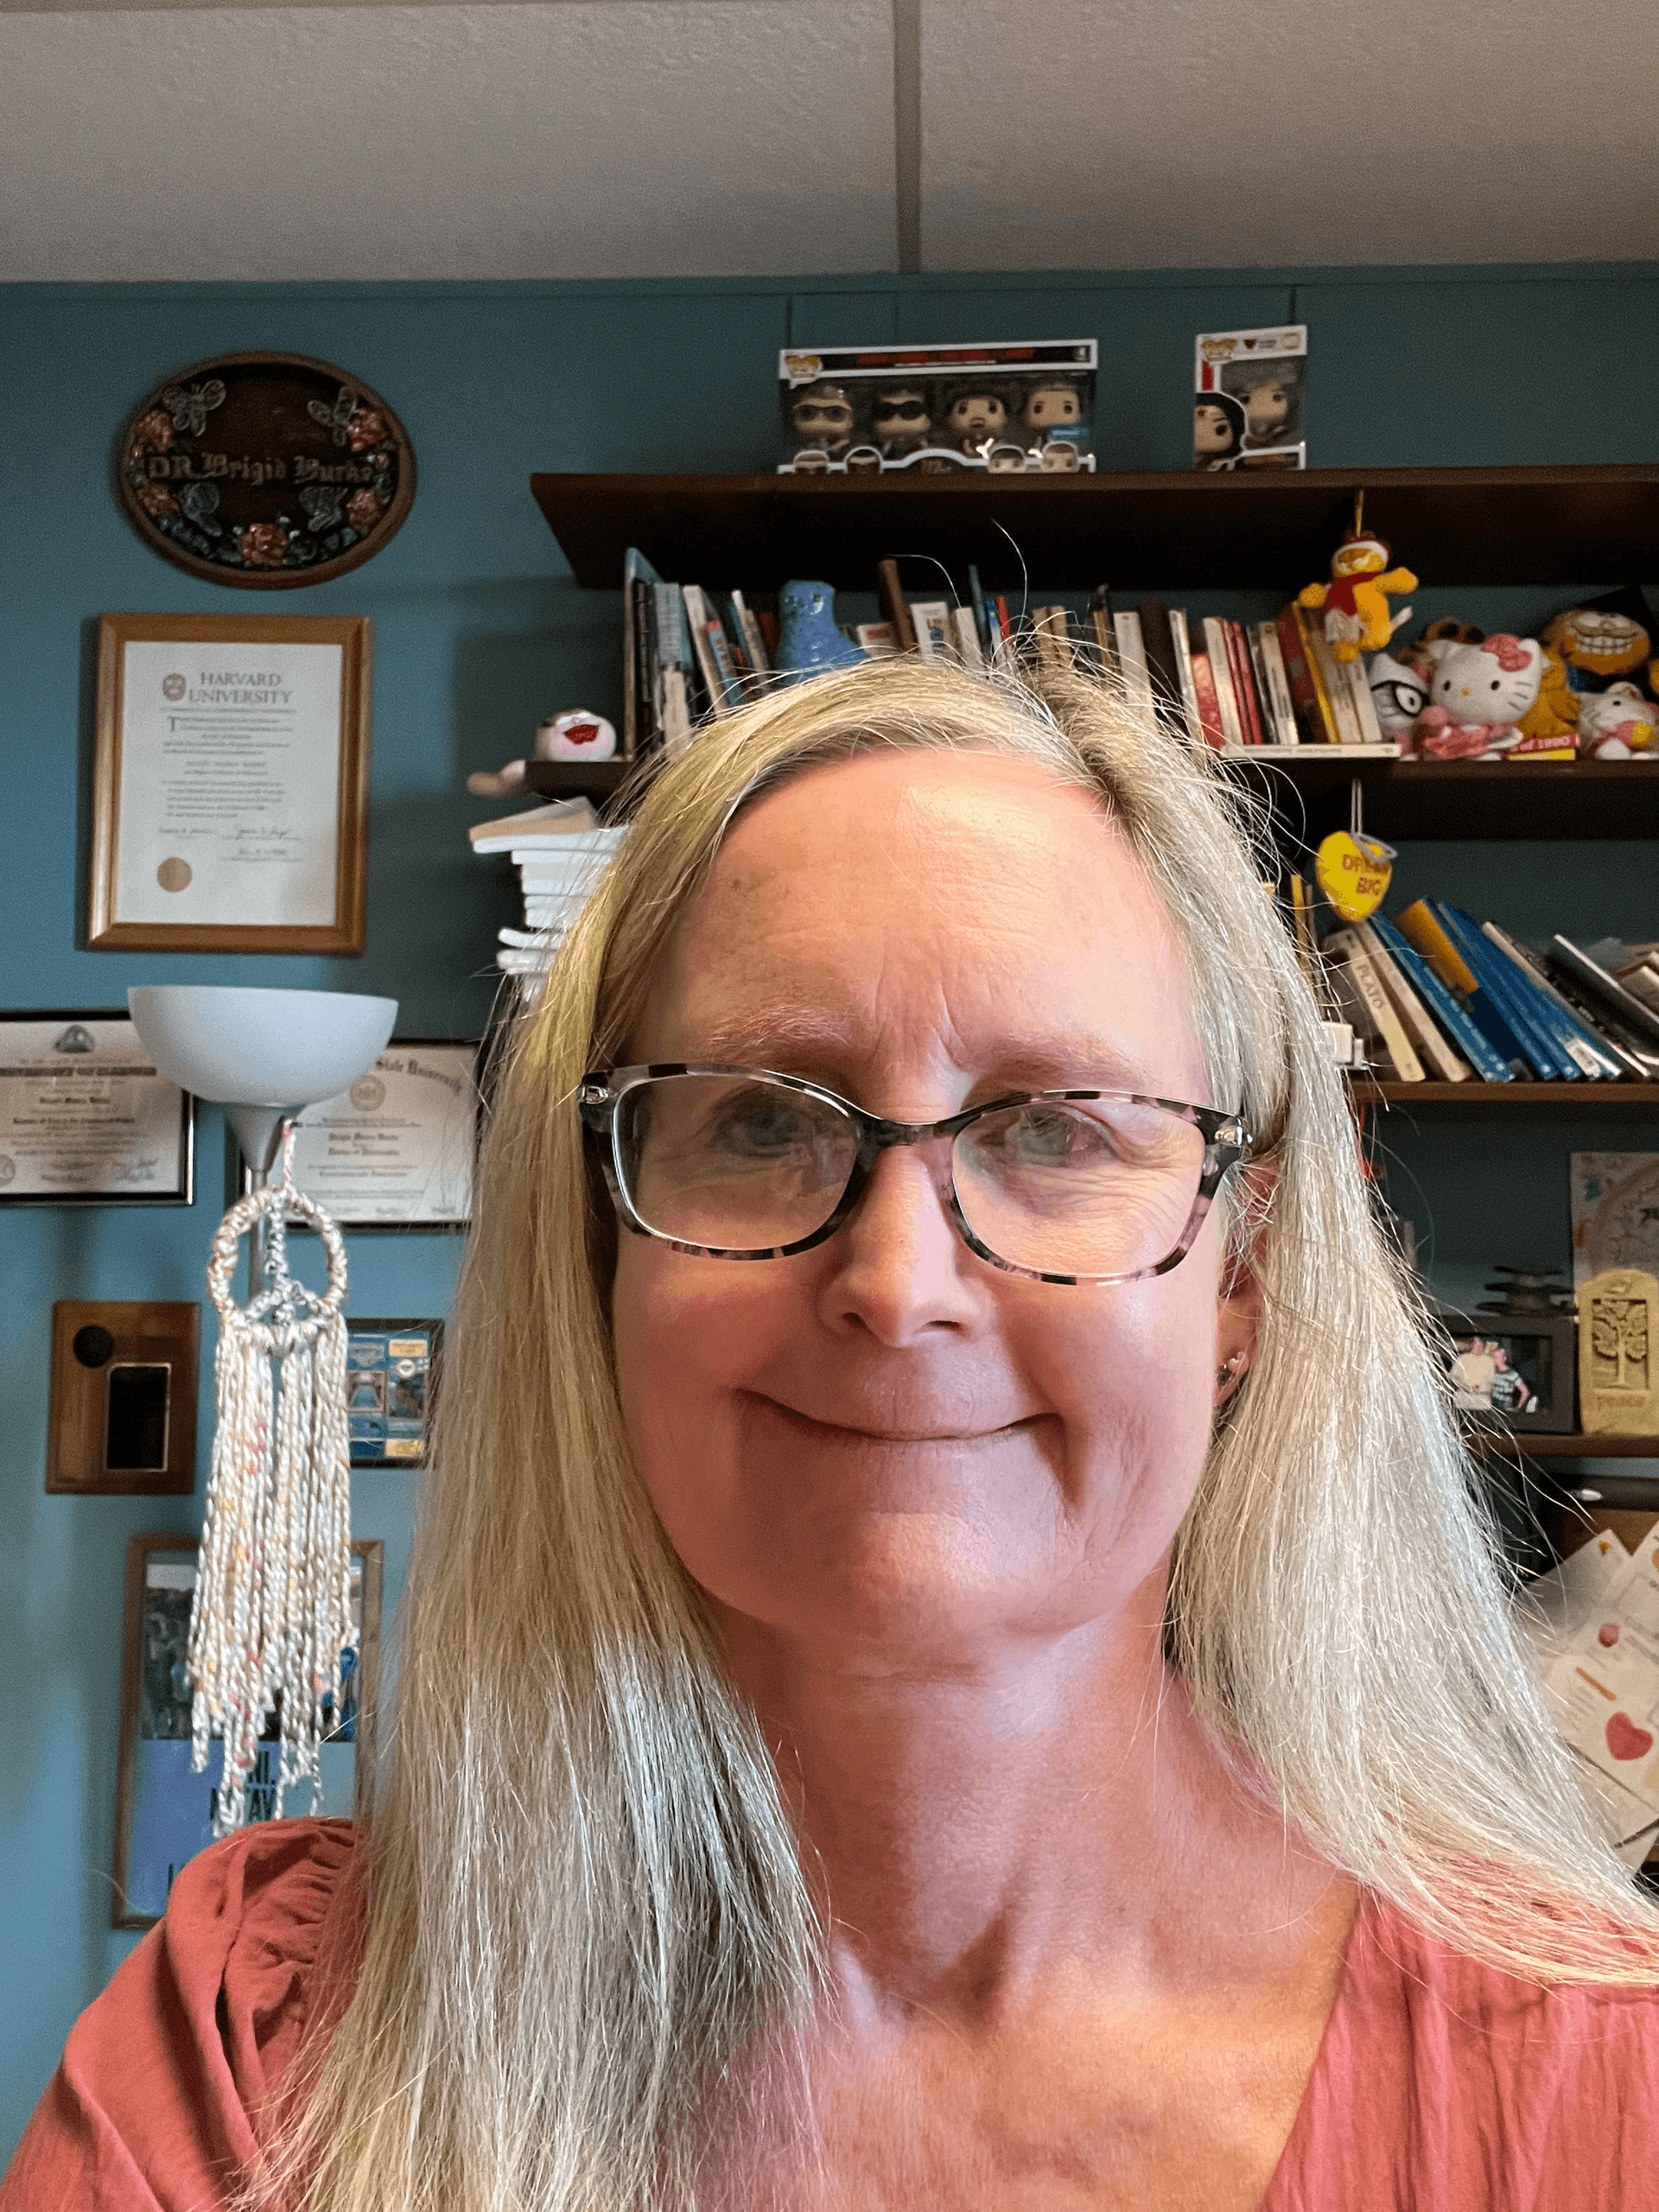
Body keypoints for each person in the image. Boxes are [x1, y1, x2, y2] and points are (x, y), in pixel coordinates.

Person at [8, 659, 1659, 2212]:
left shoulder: (1601, 2084)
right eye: (759, 1121)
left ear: (1244, 1282)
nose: (896, 1281)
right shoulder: (260, 2045)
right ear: (595, 1260)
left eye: (1057, 1126)